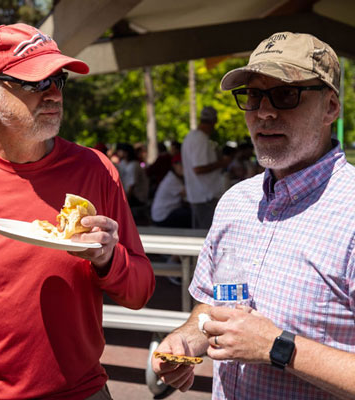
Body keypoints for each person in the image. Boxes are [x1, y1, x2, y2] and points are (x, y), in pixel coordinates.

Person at [152, 31, 355, 399]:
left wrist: (278, 348)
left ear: (330, 107)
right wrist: (184, 342)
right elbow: (211, 308)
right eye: (255, 95)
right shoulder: (235, 202)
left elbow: (268, 343)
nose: (264, 112)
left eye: (285, 94)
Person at [0, 23, 155, 400]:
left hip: (82, 392)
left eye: (57, 80)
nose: (52, 94)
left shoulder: (95, 169)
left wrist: (109, 258)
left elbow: (140, 292)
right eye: (34, 83)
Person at [181, 106, 232, 229]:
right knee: (205, 235)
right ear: (214, 121)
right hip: (205, 196)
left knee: (200, 234)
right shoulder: (200, 138)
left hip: (199, 194)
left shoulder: (191, 136)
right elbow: (199, 169)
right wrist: (222, 163)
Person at [150, 153, 191, 228]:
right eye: (181, 164)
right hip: (163, 216)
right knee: (191, 215)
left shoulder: (175, 178)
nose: (184, 167)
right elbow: (189, 195)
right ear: (174, 165)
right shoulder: (172, 180)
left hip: (165, 213)